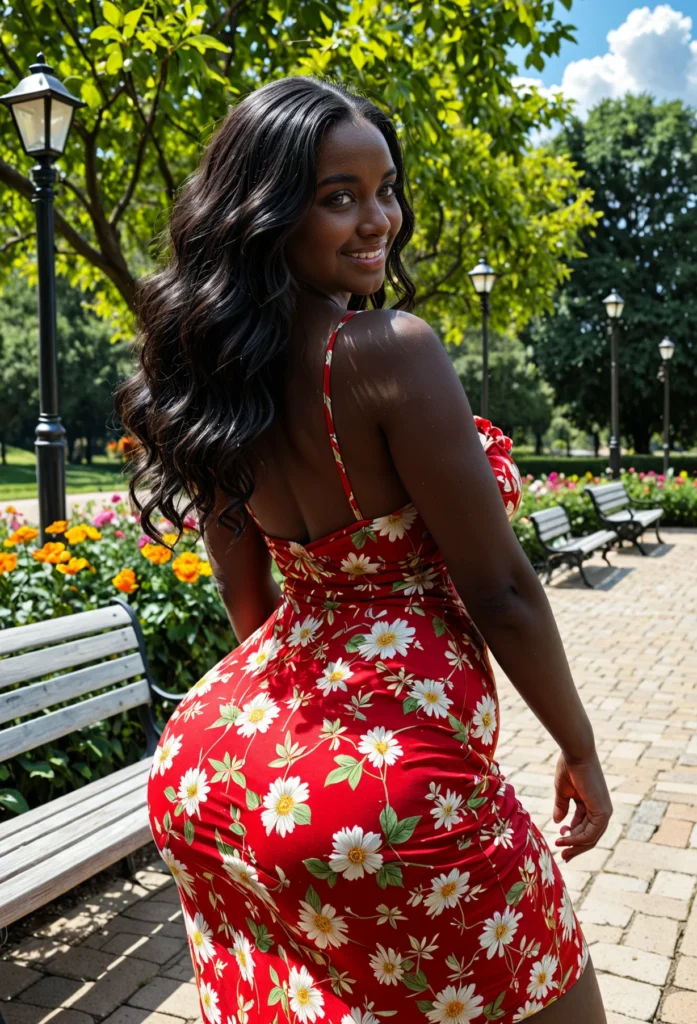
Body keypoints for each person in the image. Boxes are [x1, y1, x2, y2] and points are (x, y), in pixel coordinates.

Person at [116, 76, 612, 1024]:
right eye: (337, 197)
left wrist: (287, 755)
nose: (377, 218)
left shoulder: (213, 374)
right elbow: (501, 588)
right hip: (383, 799)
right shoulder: (387, 350)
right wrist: (578, 747)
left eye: (384, 189)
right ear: (264, 215)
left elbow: (248, 599)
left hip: (219, 772)